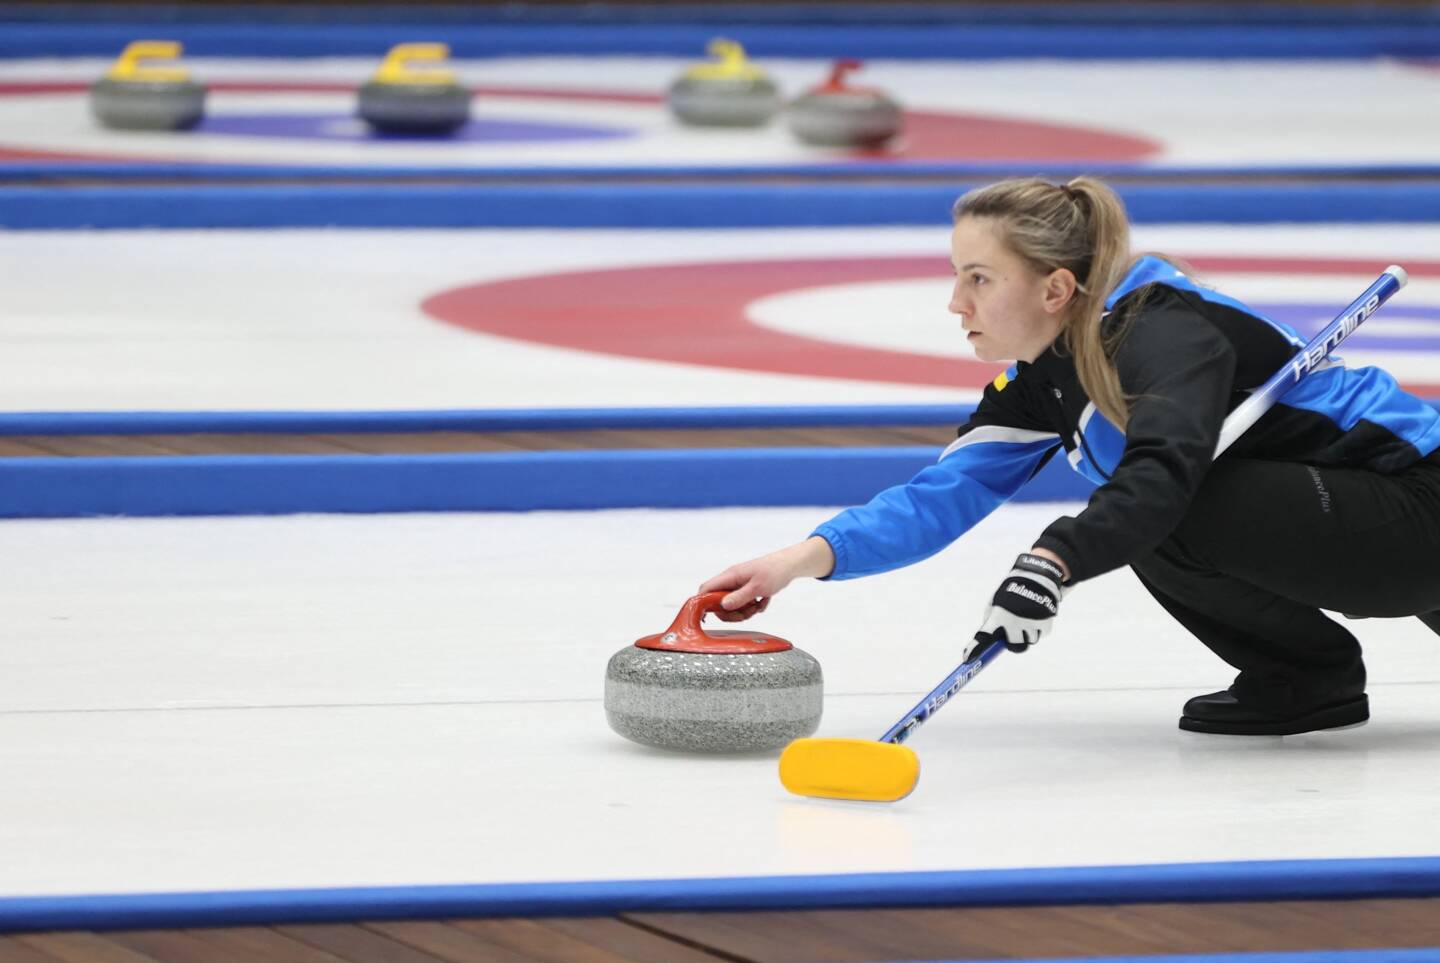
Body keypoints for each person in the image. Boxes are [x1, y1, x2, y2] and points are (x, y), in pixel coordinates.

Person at [699, 176, 1440, 736]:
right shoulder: (1041, 379)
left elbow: (1163, 472)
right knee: (1141, 509)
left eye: (978, 279)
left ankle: (1306, 671)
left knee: (1157, 502)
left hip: (1419, 503)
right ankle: (1306, 678)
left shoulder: (1162, 335)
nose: (955, 304)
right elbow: (942, 494)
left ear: (1056, 287)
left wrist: (1054, 557)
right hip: (1377, 526)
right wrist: (801, 559)